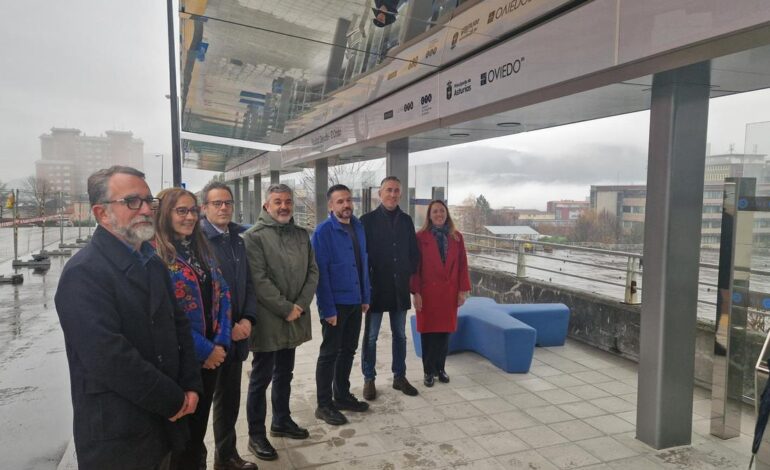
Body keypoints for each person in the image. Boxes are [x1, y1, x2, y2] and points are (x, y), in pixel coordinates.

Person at [55, 166, 202, 470]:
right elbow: (109, 358)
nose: (147, 209)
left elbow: (179, 327)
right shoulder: (83, 273)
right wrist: (173, 400)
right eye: (133, 201)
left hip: (165, 424)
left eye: (149, 201)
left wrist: (191, 386)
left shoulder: (153, 263)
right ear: (102, 213)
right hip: (120, 435)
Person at [154, 187, 232, 469]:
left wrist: (221, 343)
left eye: (192, 210)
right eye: (181, 211)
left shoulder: (201, 248)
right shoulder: (155, 256)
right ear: (164, 214)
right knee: (179, 441)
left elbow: (223, 292)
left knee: (197, 432)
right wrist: (206, 350)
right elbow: (165, 318)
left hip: (213, 359)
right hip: (181, 362)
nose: (189, 217)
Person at [243, 184, 318, 461]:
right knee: (261, 378)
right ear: (266, 205)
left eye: (287, 201)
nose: (284, 206)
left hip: (294, 317)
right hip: (269, 320)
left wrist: (300, 305)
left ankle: (281, 421)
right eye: (278, 202)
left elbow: (313, 271)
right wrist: (286, 308)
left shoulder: (301, 235)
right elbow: (258, 280)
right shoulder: (253, 238)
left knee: (285, 373)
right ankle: (255, 434)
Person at [200, 182, 258, 470]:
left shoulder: (237, 239)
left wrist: (247, 318)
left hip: (238, 334)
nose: (224, 208)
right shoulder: (198, 241)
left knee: (229, 401)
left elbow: (247, 282)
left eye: (228, 203)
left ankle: (226, 457)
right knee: (202, 406)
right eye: (217, 203)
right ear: (205, 208)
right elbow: (202, 295)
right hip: (213, 341)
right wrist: (228, 327)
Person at [312, 184, 371, 425]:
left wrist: (366, 296)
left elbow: (363, 263)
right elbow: (320, 273)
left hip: (356, 301)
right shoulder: (323, 232)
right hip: (336, 304)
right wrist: (327, 309)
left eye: (348, 200)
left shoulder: (358, 226)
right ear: (330, 206)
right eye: (340, 201)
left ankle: (342, 395)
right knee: (329, 354)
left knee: (348, 350)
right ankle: (324, 404)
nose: (346, 205)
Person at [360, 176, 420, 400]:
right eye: (389, 190)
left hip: (399, 286)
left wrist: (406, 272)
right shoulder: (366, 220)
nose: (393, 194)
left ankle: (399, 377)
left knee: (400, 335)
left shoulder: (406, 220)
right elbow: (361, 256)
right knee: (371, 336)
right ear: (380, 193)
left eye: (396, 191)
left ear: (401, 195)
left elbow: (413, 252)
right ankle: (369, 378)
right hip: (376, 287)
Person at [410, 200, 471, 386]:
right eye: (435, 211)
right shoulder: (420, 237)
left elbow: (462, 266)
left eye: (442, 211)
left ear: (447, 214)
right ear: (429, 215)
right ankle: (428, 371)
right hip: (428, 293)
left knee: (444, 333)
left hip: (449, 292)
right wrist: (416, 292)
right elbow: (415, 268)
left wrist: (462, 291)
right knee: (428, 334)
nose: (439, 214)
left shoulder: (457, 237)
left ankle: (440, 368)